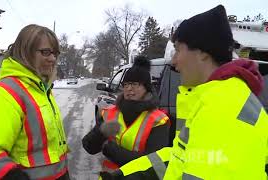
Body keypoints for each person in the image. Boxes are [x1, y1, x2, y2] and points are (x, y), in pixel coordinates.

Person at [100, 5, 268, 180]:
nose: (173, 61)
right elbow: (179, 158)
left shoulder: (224, 108)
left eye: (178, 49)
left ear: (203, 52)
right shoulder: (216, 100)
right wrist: (124, 175)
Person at [0, 24, 70, 180]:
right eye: (45, 52)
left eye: (55, 53)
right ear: (26, 52)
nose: (52, 59)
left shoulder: (40, 88)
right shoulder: (7, 91)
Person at [82, 56, 170, 178]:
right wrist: (100, 133)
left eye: (135, 84)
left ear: (146, 88)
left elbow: (154, 164)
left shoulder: (158, 121)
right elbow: (88, 147)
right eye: (126, 84)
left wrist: (108, 148)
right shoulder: (110, 113)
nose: (129, 88)